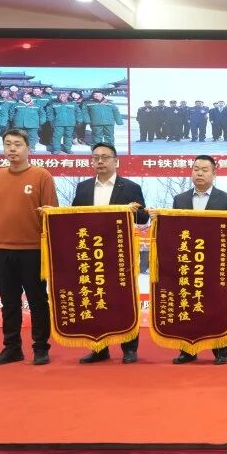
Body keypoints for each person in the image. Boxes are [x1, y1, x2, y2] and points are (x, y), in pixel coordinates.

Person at [160, 155, 227, 365]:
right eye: (196, 169)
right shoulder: (180, 199)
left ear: (214, 174)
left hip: (215, 263)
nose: (199, 173)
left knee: (217, 305)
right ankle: (187, 350)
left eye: (205, 170)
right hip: (187, 262)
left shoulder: (226, 199)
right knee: (186, 303)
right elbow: (173, 229)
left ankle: (221, 350)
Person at [0, 129, 58, 366]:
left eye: (17, 144)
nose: (12, 149)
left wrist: (51, 248)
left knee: (37, 301)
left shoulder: (42, 176)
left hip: (33, 250)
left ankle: (40, 348)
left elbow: (52, 215)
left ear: (28, 148)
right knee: (9, 302)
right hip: (2, 249)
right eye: (8, 144)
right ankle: (12, 348)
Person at [71, 143, 149, 364]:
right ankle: (99, 348)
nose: (100, 161)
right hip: (91, 253)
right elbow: (73, 217)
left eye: (105, 157)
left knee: (123, 300)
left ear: (116, 161)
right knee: (95, 299)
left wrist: (134, 211)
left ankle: (129, 348)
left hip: (120, 252)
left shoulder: (130, 187)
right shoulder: (83, 188)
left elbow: (143, 218)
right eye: (96, 157)